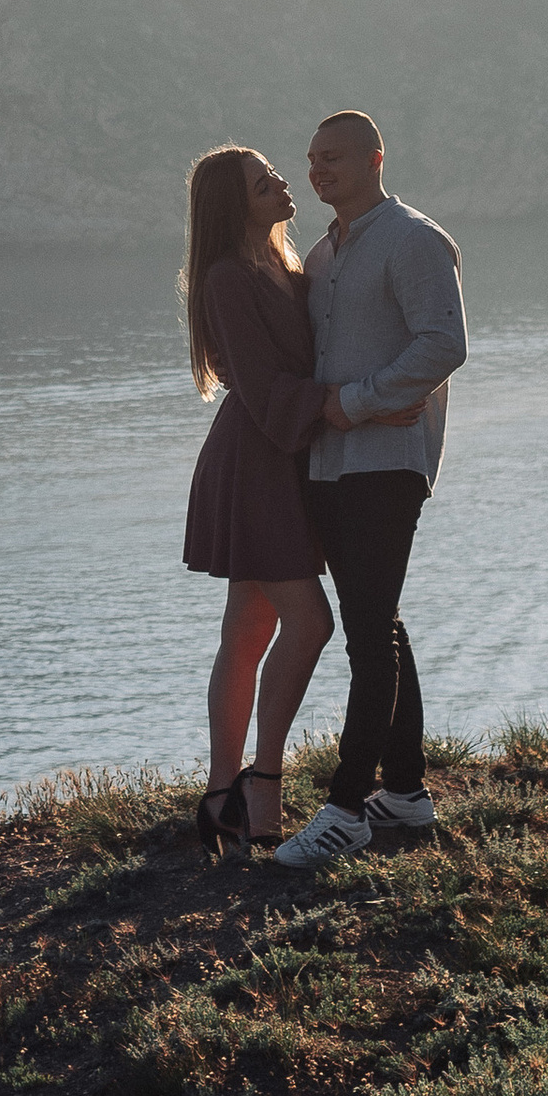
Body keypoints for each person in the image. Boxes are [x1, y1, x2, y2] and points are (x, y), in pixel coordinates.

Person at [274, 110, 468, 869]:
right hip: (329, 467)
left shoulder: (414, 239)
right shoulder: (323, 253)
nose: (320, 171)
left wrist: (360, 401)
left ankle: (348, 807)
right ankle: (408, 792)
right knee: (378, 620)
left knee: (366, 637)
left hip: (386, 464)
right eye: (314, 159)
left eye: (336, 158)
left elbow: (444, 344)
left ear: (376, 159)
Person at [178, 142, 335, 859]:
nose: (279, 183)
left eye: (273, 172)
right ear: (233, 204)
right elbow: (268, 392)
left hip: (285, 461)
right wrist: (349, 405)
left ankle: (218, 795)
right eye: (260, 181)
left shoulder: (291, 267)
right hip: (255, 462)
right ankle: (261, 782)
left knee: (248, 626)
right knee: (309, 624)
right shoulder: (226, 280)